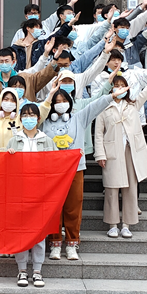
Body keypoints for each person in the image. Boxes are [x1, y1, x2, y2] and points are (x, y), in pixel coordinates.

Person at [95, 58, 147, 239]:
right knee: (111, 189)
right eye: (116, 86)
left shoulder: (133, 104)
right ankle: (112, 225)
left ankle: (126, 225)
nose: (120, 89)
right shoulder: (103, 108)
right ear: (111, 89)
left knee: (130, 189)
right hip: (112, 152)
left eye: (123, 86)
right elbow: (98, 134)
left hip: (130, 151)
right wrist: (100, 154)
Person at [41, 88, 117, 261]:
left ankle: (72, 243)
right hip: (52, 171)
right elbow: (36, 112)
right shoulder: (45, 121)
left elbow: (95, 106)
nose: (61, 104)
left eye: (64, 101)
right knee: (54, 208)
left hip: (75, 169)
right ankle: (55, 243)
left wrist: (111, 96)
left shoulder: (79, 118)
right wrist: (49, 97)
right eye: (57, 102)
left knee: (73, 207)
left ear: (70, 103)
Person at [6, 103, 58, 288]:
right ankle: (21, 269)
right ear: (21, 119)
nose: (29, 119)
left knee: (39, 233)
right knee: (20, 232)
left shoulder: (47, 141)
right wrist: (8, 156)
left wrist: (75, 155)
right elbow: (5, 168)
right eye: (25, 115)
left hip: (41, 194)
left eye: (32, 115)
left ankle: (37, 270)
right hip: (19, 193)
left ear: (38, 118)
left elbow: (57, 164)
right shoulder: (14, 141)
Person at [0, 47, 59, 117]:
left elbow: (43, 76)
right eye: (1, 61)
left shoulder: (26, 78)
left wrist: (53, 59)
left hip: (26, 118)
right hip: (2, 121)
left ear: (13, 62)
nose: (4, 64)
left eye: (7, 61)